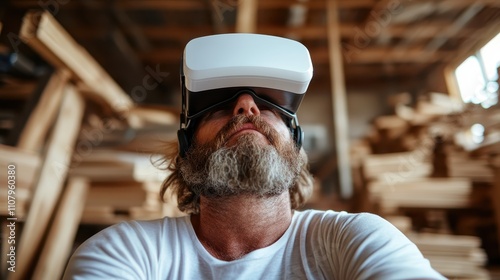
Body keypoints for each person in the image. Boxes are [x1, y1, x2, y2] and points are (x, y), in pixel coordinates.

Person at [63, 34, 445, 279]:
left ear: (295, 144)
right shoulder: (127, 253)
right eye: (217, 105)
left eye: (270, 105)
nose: (246, 107)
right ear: (186, 148)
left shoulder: (355, 241)